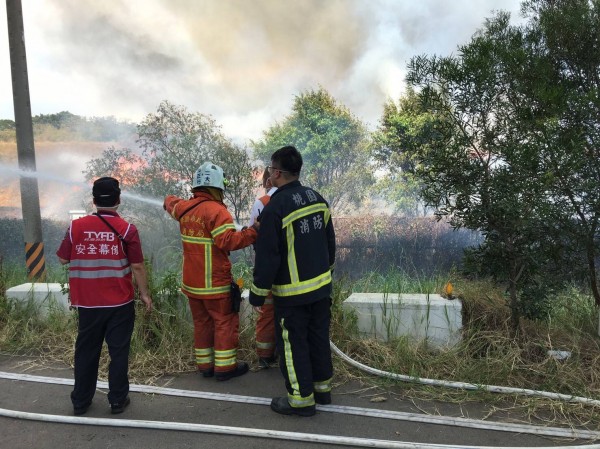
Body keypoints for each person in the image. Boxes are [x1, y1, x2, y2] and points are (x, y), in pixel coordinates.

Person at [249, 146, 336, 417]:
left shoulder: (275, 208)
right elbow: (330, 243)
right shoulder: (316, 198)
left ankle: (300, 400)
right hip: (321, 289)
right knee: (318, 338)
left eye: (270, 170)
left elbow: (268, 256)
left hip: (293, 295)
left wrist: (257, 293)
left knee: (294, 343)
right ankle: (322, 391)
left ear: (276, 173)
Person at [56, 176, 152, 416]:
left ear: (94, 200)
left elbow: (63, 258)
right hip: (120, 302)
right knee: (118, 351)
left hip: (87, 303)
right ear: (118, 200)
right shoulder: (127, 230)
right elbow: (138, 266)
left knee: (86, 351)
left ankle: (80, 402)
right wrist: (145, 294)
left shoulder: (75, 227)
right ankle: (118, 400)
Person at [164, 162, 258, 381]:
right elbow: (227, 241)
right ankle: (225, 369)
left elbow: (169, 201)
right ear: (217, 186)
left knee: (202, 323)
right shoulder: (217, 211)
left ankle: (205, 366)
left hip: (192, 284)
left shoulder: (184, 208)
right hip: (214, 284)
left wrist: (170, 201)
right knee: (224, 322)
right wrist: (252, 233)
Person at [247, 168, 278, 368]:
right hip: (291, 270)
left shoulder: (262, 203)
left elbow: (252, 234)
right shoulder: (293, 199)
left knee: (267, 311)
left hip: (267, 266)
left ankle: (265, 355)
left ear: (268, 181)